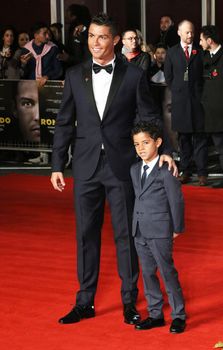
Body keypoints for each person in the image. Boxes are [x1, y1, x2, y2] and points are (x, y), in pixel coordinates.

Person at [51, 13, 177, 326]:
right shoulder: (74, 74)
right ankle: (85, 302)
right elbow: (65, 122)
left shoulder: (133, 75)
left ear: (115, 40)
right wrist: (56, 165)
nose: (95, 43)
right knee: (85, 236)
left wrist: (163, 152)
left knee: (126, 237)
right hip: (85, 166)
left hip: (123, 166)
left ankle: (128, 302)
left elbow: (148, 117)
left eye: (102, 37)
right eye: (92, 36)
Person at [130, 120, 186, 333]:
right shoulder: (134, 169)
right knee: (147, 273)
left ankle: (178, 314)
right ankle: (155, 314)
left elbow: (176, 200)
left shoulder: (166, 171)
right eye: (137, 144)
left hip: (160, 230)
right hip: (139, 229)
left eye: (145, 142)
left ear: (158, 142)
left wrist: (177, 228)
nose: (141, 148)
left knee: (167, 271)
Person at [164, 20, 208, 186]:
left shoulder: (200, 51)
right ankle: (185, 170)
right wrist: (178, 89)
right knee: (184, 140)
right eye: (187, 32)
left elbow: (205, 75)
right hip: (180, 102)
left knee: (200, 139)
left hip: (198, 102)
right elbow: (168, 77)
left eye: (192, 32)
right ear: (179, 33)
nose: (190, 35)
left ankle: (202, 173)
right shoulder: (172, 52)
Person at [199, 25, 223, 188]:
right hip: (212, 113)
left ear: (209, 40)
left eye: (201, 39)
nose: (200, 43)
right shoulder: (204, 58)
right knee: (222, 148)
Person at [21, 22, 62, 86]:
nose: (48, 36)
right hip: (30, 87)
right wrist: (24, 64)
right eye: (44, 33)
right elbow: (23, 74)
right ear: (36, 35)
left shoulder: (53, 49)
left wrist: (48, 76)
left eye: (48, 33)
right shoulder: (26, 50)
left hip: (48, 85)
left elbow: (58, 70)